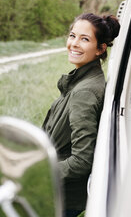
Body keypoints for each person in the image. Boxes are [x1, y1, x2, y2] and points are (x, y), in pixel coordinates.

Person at [42, 13, 120, 217]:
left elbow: (82, 159)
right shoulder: (84, 81)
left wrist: (38, 175)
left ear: (101, 48)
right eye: (72, 36)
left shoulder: (84, 92)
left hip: (62, 198)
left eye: (85, 39)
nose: (74, 44)